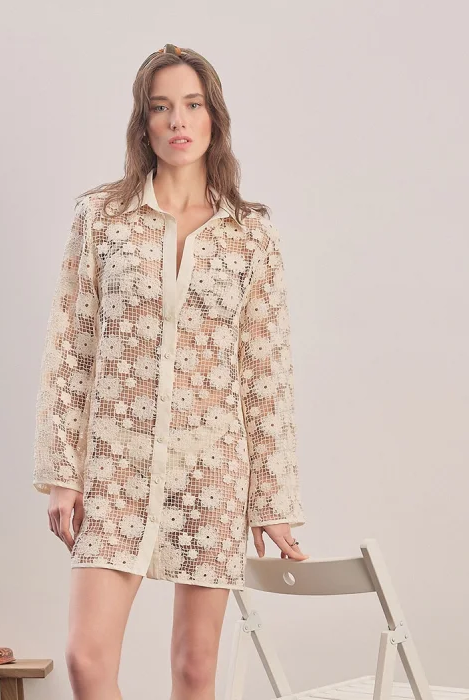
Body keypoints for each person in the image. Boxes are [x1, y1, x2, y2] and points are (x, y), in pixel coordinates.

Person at [33, 43, 310, 700]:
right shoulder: (101, 219)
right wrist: (64, 473)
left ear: (214, 117)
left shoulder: (251, 234)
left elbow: (266, 372)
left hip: (212, 471)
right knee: (87, 660)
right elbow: (70, 348)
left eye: (192, 105)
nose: (177, 121)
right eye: (161, 108)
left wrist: (271, 504)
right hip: (116, 464)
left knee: (192, 669)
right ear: (144, 122)